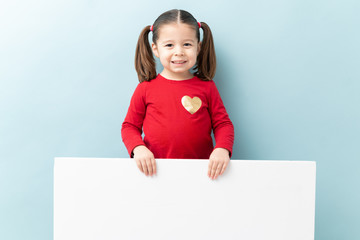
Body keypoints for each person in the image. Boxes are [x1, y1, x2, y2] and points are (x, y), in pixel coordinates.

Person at [121, 9, 234, 180]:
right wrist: (138, 148)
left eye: (187, 44)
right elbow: (129, 126)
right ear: (156, 49)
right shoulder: (145, 88)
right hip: (155, 173)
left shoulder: (207, 87)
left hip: (201, 173)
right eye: (169, 45)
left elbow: (223, 124)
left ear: (198, 47)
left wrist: (222, 149)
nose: (179, 52)